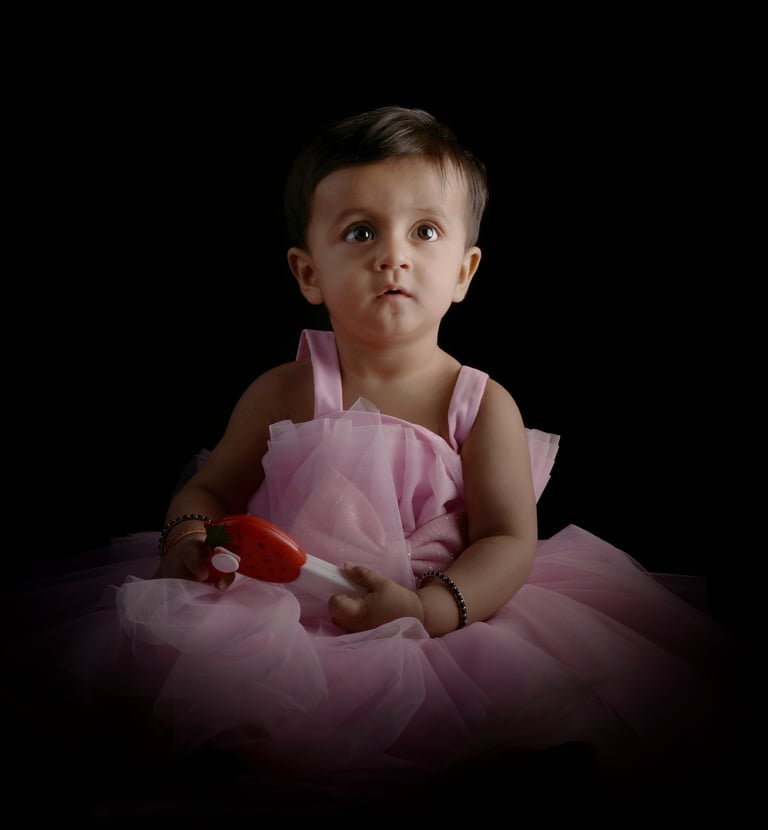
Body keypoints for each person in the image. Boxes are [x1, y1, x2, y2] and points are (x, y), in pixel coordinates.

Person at [4, 106, 751, 822]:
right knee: (171, 703)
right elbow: (209, 486)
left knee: (499, 740)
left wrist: (427, 610)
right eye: (360, 232)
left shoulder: (480, 406)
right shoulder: (288, 388)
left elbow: (506, 539)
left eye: (425, 232)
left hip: (432, 613)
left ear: (463, 271)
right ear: (308, 273)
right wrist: (189, 537)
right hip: (280, 607)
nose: (394, 254)